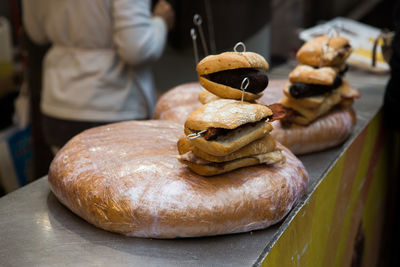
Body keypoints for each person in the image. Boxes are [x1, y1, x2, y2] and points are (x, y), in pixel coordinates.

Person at [22, 0, 174, 153]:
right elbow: (137, 49)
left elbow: (36, 32)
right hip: (113, 106)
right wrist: (160, 22)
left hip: (59, 106)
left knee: (73, 174)